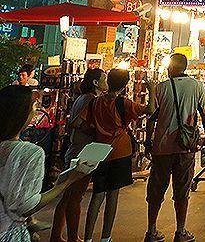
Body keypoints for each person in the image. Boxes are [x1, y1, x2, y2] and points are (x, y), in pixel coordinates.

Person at [0, 85, 99, 242]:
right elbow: (27, 205)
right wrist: (67, 181)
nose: (36, 109)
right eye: (33, 106)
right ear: (21, 113)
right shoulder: (29, 153)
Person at [145, 53, 205, 242]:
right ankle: (181, 231)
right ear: (185, 67)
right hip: (186, 147)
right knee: (182, 191)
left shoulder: (161, 88)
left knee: (156, 190)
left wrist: (148, 141)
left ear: (171, 68)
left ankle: (151, 231)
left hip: (162, 147)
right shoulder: (197, 86)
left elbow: (151, 118)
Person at [82, 68, 152, 242]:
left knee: (97, 195)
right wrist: (152, 90)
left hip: (99, 152)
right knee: (113, 195)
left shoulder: (95, 103)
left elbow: (83, 123)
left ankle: (88, 238)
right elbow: (149, 110)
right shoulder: (124, 103)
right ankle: (106, 237)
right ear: (125, 84)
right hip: (120, 152)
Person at [50, 68, 106, 242]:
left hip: (77, 148)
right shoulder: (90, 99)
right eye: (104, 78)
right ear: (96, 83)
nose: (107, 81)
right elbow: (76, 123)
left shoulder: (84, 98)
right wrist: (95, 130)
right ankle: (73, 237)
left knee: (68, 196)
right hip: (83, 151)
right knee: (75, 197)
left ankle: (57, 236)